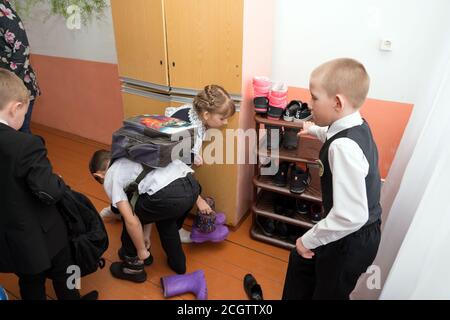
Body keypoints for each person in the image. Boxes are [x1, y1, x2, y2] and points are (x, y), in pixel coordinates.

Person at [282, 58, 382, 300]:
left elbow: (350, 216)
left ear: (337, 102)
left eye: (314, 97)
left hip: (351, 238)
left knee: (330, 293)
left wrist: (307, 239)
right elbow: (334, 131)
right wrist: (314, 129)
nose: (309, 103)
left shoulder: (343, 148)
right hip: (358, 232)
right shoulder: (356, 124)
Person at [0, 68, 96, 300]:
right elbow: (49, 191)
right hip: (43, 233)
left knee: (29, 279)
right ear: (16, 107)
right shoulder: (25, 144)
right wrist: (58, 182)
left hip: (9, 236)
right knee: (67, 268)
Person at [98, 84, 236, 243]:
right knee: (189, 192)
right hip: (152, 172)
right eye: (222, 118)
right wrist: (198, 200)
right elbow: (175, 168)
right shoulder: (187, 128)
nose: (225, 122)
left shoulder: (192, 115)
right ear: (206, 114)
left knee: (130, 195)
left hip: (152, 166)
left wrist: (193, 154)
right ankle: (174, 229)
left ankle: (115, 210)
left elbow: (182, 153)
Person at [0, 0, 40, 133]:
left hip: (14, 86)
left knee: (21, 138)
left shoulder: (1, 7)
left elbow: (22, 49)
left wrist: (6, 83)